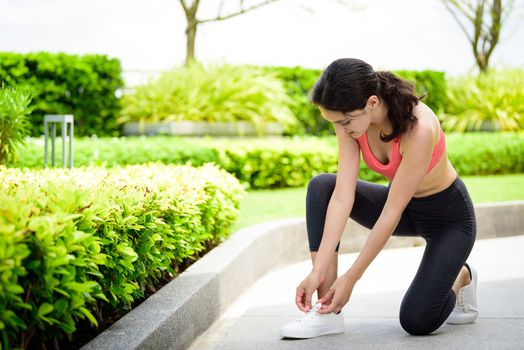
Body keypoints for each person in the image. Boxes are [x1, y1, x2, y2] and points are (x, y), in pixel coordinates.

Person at [279, 58, 478, 339]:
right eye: (335, 122)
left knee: (417, 320)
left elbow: (389, 214)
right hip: (403, 207)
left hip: (448, 219)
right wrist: (319, 271)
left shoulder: (419, 128)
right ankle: (327, 313)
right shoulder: (349, 119)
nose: (341, 128)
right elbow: (341, 196)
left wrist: (351, 278)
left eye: (345, 121)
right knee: (322, 187)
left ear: (372, 102)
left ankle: (462, 276)